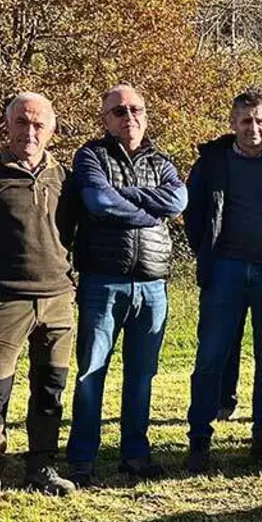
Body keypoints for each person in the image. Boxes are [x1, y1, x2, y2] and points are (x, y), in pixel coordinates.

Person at [65, 84, 187, 486]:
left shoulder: (162, 160)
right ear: (105, 119)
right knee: (91, 372)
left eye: (136, 109)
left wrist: (127, 197)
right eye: (118, 111)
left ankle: (135, 454)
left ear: (146, 115)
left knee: (142, 374)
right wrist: (150, 209)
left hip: (153, 284)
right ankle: (83, 458)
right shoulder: (90, 156)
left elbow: (178, 201)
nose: (128, 116)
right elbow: (98, 203)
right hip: (104, 279)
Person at [0, 92, 79, 502]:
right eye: (22, 123)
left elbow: (76, 232)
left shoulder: (65, 177)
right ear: (7, 126)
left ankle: (42, 466)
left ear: (52, 130)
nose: (30, 132)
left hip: (59, 300)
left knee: (50, 388)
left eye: (39, 124)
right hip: (4, 300)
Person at [184, 90, 262, 470]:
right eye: (246, 121)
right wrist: (209, 256)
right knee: (210, 356)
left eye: (260, 121)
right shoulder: (211, 163)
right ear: (232, 123)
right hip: (225, 271)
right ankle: (199, 438)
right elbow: (194, 214)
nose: (253, 128)